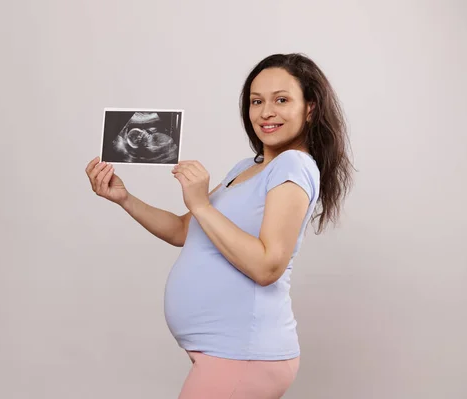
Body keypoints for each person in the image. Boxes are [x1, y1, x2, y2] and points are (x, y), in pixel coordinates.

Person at [85, 53, 353, 399]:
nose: (266, 112)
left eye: (281, 100)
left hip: (245, 353)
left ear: (310, 109)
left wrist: (199, 202)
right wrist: (125, 198)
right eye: (257, 101)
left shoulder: (294, 165)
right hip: (227, 352)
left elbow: (268, 265)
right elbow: (185, 230)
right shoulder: (249, 166)